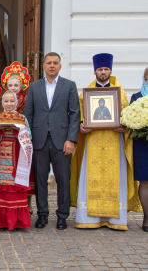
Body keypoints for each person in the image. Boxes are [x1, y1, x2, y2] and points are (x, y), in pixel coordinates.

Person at [71, 53, 141, 230]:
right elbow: (80, 116)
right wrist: (82, 127)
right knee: (90, 176)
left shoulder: (120, 92)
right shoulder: (85, 94)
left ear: (110, 70)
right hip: (93, 141)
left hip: (114, 141)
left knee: (115, 177)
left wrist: (124, 127)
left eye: (106, 69)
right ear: (95, 71)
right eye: (100, 69)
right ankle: (89, 219)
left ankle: (115, 220)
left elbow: (125, 117)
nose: (103, 72)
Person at [25, 52, 80, 230]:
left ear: (60, 66)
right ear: (43, 65)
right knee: (40, 180)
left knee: (63, 179)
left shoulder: (69, 86)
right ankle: (42, 215)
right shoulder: (34, 87)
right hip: (39, 141)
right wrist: (29, 140)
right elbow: (29, 115)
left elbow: (74, 114)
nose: (52, 66)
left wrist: (71, 139)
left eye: (55, 63)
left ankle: (62, 216)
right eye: (48, 63)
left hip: (62, 140)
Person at [0, 91, 33, 230]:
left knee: (14, 185)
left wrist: (18, 131)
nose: (9, 104)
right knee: (1, 184)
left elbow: (29, 136)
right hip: (0, 156)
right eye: (6, 101)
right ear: (2, 103)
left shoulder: (22, 118)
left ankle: (16, 221)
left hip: (16, 156)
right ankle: (1, 221)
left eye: (12, 101)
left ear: (16, 103)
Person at [1, 62, 35, 205]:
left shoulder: (28, 100)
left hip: (23, 141)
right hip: (8, 143)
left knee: (26, 173)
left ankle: (26, 204)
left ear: (22, 86)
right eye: (10, 86)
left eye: (16, 85)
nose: (13, 88)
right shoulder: (4, 102)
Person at [131, 67, 148, 231]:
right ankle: (146, 219)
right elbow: (130, 121)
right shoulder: (136, 98)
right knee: (145, 182)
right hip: (143, 145)